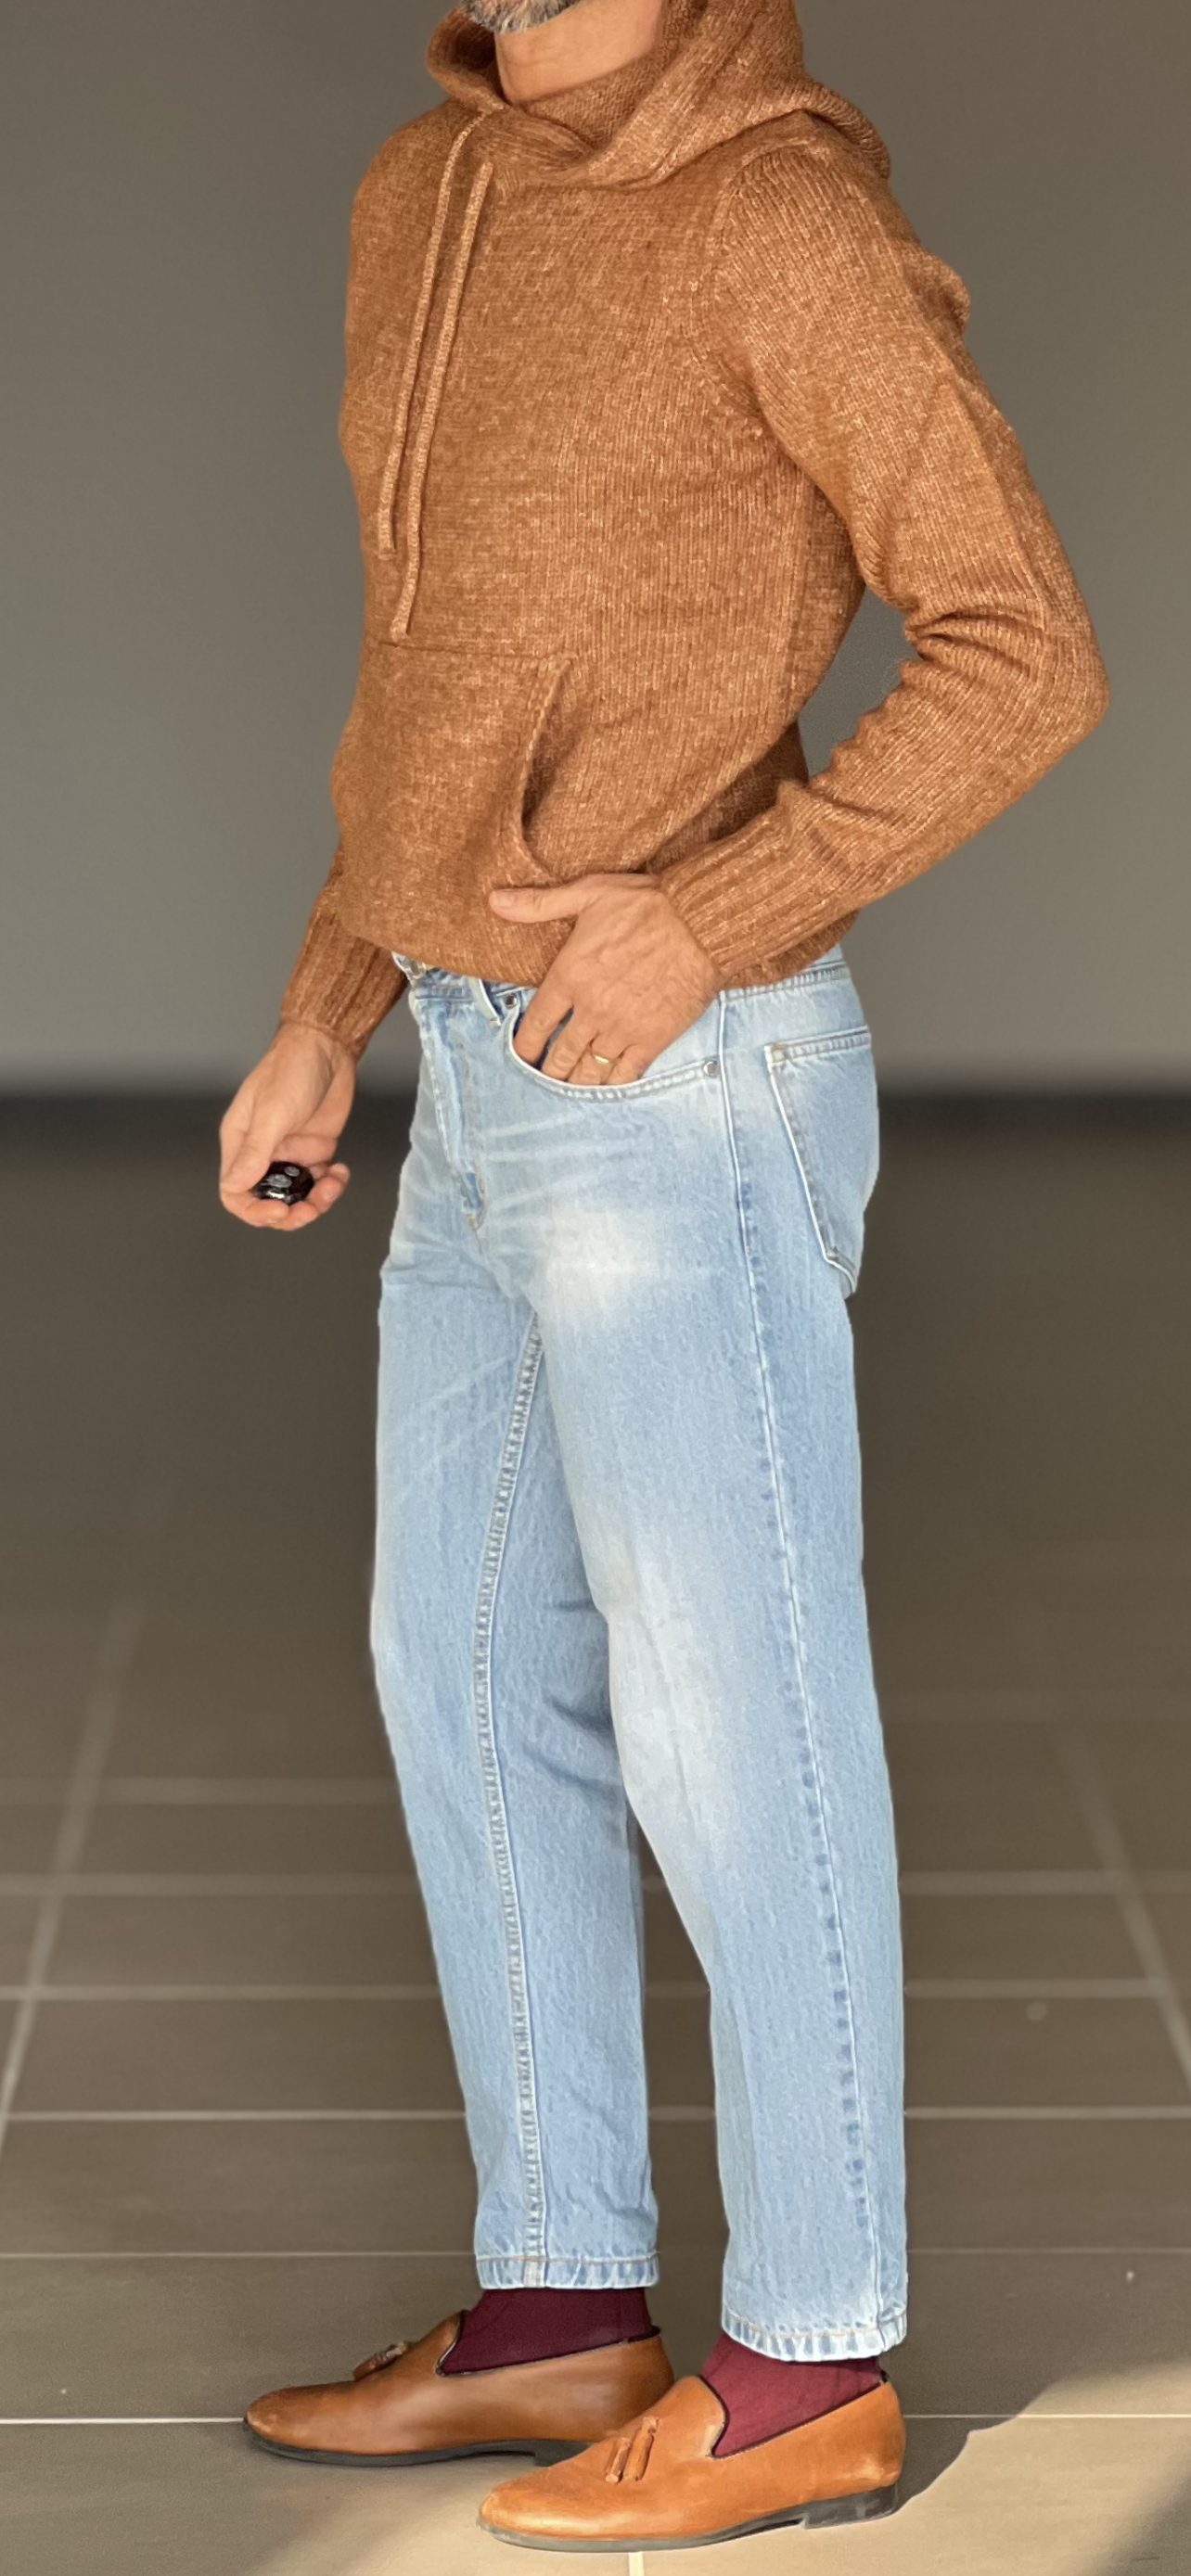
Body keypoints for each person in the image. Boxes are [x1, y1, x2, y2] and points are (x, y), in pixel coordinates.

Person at [222, 0, 1108, 2547]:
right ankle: (558, 2309)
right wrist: (330, 1001)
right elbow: (428, 667)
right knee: (464, 1673)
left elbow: (1023, 639)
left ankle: (811, 2359)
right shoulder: (423, 189)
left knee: (738, 1718)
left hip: (678, 1079)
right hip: (472, 1068)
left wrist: (721, 912)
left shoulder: (774, 211)